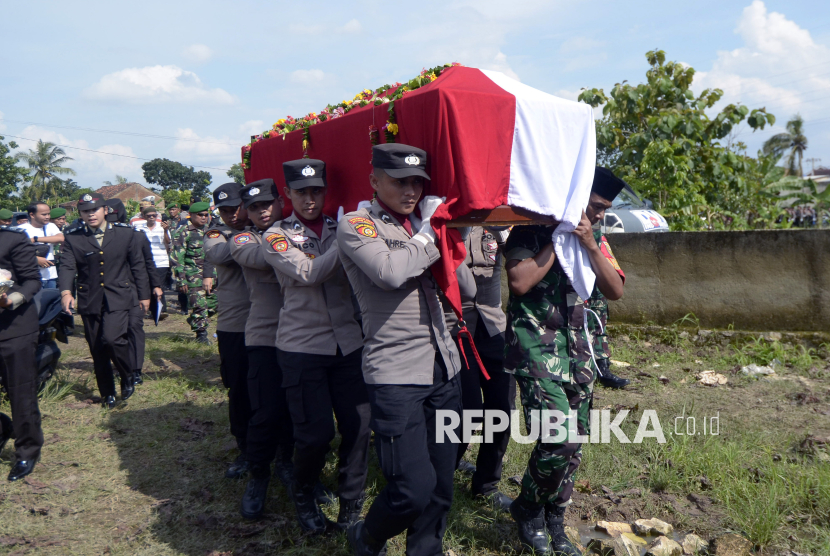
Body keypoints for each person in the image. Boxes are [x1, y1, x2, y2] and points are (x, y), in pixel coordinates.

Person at [338, 143, 474, 556]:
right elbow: (390, 272)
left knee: (442, 483)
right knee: (411, 489)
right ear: (375, 181)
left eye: (417, 181)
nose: (410, 189)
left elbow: (466, 290)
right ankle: (366, 537)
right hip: (396, 374)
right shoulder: (358, 225)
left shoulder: (422, 226)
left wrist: (453, 242)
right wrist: (430, 233)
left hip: (444, 365)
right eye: (399, 181)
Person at [502, 167, 627, 555]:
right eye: (596, 206)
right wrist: (559, 238)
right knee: (558, 438)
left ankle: (553, 517)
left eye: (606, 209)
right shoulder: (529, 230)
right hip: (538, 351)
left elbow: (616, 289)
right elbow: (520, 282)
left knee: (575, 447)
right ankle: (527, 508)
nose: (601, 215)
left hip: (580, 354)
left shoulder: (597, 236)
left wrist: (590, 243)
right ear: (575, 200)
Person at [263, 159, 371, 533]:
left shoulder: (334, 226)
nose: (310, 199)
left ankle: (351, 502)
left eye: (317, 191)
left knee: (359, 425)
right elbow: (308, 272)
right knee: (315, 434)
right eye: (301, 192)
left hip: (348, 344)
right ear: (288, 195)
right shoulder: (276, 235)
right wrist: (348, 238)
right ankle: (304, 492)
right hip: (302, 346)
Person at [228, 180, 296, 519]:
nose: (263, 211)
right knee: (265, 411)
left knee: (299, 411)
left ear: (281, 202)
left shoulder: (298, 231)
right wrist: (300, 244)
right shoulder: (242, 240)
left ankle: (289, 465)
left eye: (268, 204)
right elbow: (267, 258)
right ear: (246, 213)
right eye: (254, 208)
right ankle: (258, 475)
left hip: (303, 336)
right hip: (265, 337)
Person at [444, 226, 516, 511]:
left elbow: (519, 265)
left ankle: (486, 484)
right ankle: (441, 472)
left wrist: (503, 236)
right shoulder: (445, 224)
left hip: (494, 327)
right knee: (466, 411)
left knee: (503, 408)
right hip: (454, 328)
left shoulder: (497, 222)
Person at [59, 192, 150, 409]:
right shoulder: (73, 236)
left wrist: (144, 295)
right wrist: (65, 292)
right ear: (80, 214)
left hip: (119, 295)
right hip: (89, 298)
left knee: (112, 339)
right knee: (97, 348)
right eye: (85, 211)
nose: (90, 215)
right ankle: (107, 392)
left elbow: (137, 265)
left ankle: (127, 374)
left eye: (94, 210)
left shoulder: (124, 234)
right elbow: (67, 266)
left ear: (105, 211)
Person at [203, 182, 254, 480]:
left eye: (236, 208)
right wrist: (257, 236)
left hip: (273, 323)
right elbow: (221, 255)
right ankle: (245, 449)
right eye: (224, 210)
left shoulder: (267, 228)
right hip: (235, 325)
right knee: (240, 390)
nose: (232, 215)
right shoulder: (215, 234)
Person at [0, 225, 44, 481]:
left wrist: (10, 300)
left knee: (20, 392)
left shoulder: (11, 239)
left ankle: (27, 450)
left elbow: (32, 280)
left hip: (12, 328)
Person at [105, 199, 163, 385]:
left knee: (134, 326)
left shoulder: (137, 236)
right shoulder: (101, 238)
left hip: (138, 289)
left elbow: (148, 263)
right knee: (115, 331)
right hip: (112, 291)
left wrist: (156, 285)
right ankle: (120, 365)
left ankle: (135, 369)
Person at [170, 202, 216, 344]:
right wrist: (181, 279)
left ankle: (194, 319)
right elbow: (177, 257)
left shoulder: (210, 231)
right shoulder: (183, 231)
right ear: (192, 215)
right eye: (200, 215)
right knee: (200, 304)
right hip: (192, 274)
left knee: (216, 302)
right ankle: (201, 334)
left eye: (206, 215)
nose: (203, 218)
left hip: (210, 274)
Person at [17, 202, 64, 289]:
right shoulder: (22, 229)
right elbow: (17, 252)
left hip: (50, 276)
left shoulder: (50, 226)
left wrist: (35, 239)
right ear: (32, 215)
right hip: (31, 277)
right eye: (44, 214)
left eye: (48, 214)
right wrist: (35, 259)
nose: (47, 217)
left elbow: (60, 238)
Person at [137, 205, 171, 319]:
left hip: (161, 261)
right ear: (144, 217)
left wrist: (166, 230)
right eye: (149, 216)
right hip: (146, 261)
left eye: (154, 216)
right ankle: (153, 310)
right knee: (148, 285)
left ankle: (161, 310)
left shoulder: (162, 227)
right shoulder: (140, 228)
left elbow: (168, 242)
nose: (152, 218)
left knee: (159, 286)